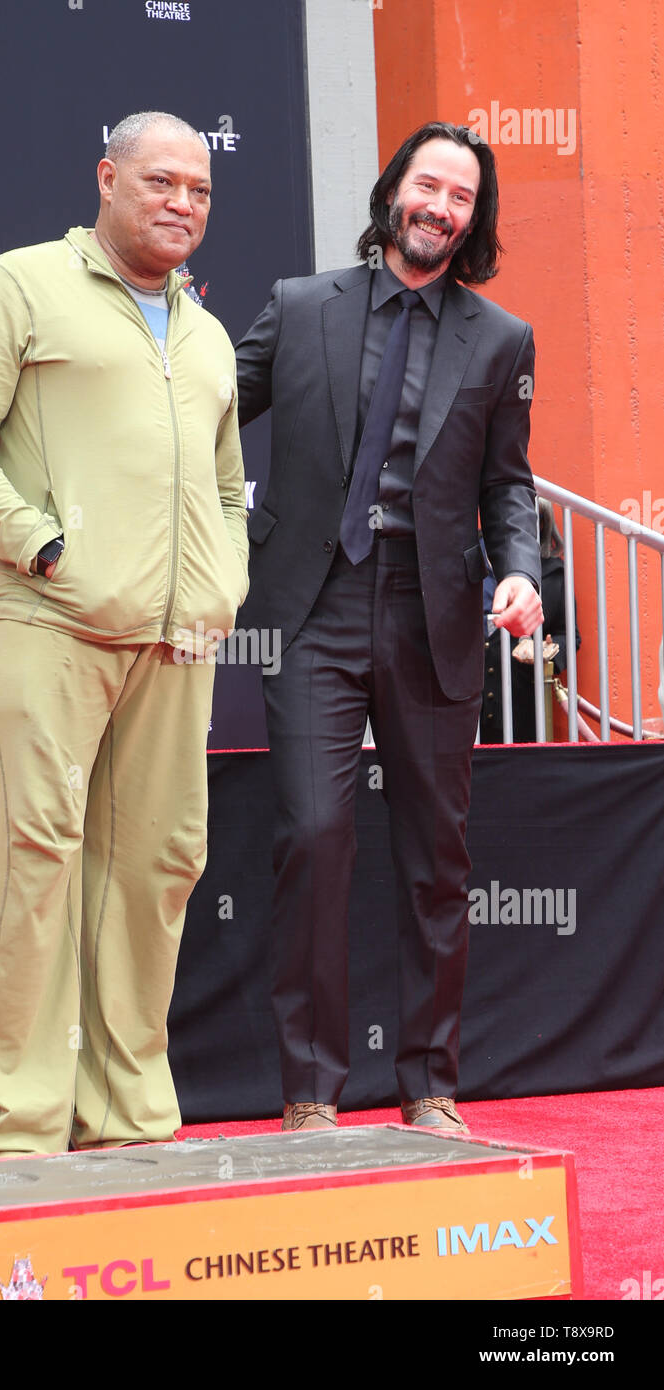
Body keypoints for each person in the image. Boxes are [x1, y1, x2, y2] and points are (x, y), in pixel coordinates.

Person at [0, 111, 248, 1157]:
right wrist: (44, 548)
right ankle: (16, 1126)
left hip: (177, 644)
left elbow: (232, 488)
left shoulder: (205, 332)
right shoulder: (20, 285)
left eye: (198, 188)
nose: (181, 203)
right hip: (49, 621)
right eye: (159, 181)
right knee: (35, 860)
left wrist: (220, 582)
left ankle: (128, 1117)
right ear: (106, 177)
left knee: (158, 867)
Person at [235, 121, 543, 1133]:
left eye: (461, 196)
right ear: (394, 191)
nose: (441, 207)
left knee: (433, 857)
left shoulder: (500, 341)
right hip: (311, 609)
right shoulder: (298, 306)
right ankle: (311, 1092)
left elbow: (508, 486)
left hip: (434, 617)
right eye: (428, 185)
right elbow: (201, 407)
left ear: (473, 218)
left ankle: (428, 1083)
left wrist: (522, 574)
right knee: (316, 837)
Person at [480, 499, 581, 742]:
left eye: (532, 518)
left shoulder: (556, 574)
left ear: (542, 525)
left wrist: (549, 651)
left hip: (523, 701)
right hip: (468, 700)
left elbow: (569, 635)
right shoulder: (467, 560)